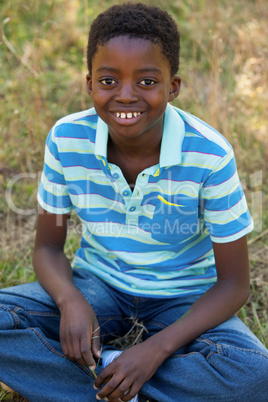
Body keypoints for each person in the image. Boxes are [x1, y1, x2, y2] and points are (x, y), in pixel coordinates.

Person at [0, 3, 267, 401]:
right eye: (108, 80)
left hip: (185, 300)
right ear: (89, 83)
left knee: (255, 374)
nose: (126, 96)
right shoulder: (66, 138)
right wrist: (70, 300)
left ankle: (103, 377)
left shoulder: (210, 154)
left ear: (172, 86)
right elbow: (47, 248)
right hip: (98, 286)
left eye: (146, 81)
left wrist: (155, 351)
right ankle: (123, 379)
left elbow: (233, 284)